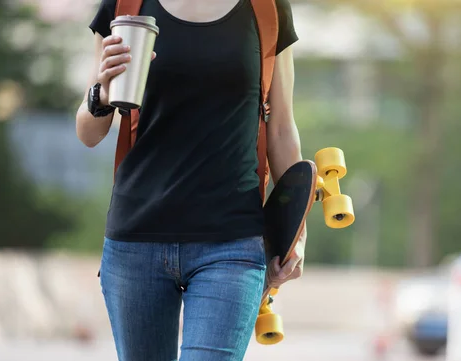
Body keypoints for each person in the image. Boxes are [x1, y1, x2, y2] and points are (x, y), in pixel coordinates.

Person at [75, 0, 305, 360]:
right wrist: (101, 94)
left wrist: (296, 230)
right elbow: (88, 133)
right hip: (137, 240)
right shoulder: (126, 4)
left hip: (232, 242)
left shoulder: (267, 8)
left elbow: (281, 131)